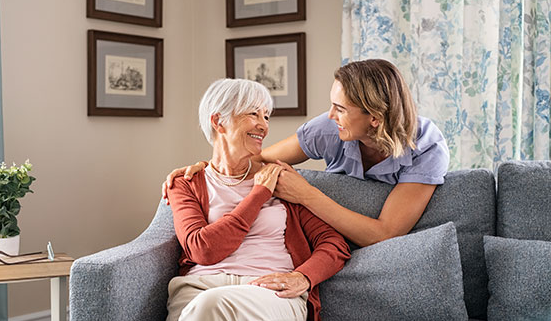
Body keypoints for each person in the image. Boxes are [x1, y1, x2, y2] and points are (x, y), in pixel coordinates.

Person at [164, 59, 450, 247]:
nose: (330, 114)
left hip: (383, 249)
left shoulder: (426, 146)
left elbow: (386, 234)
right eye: (332, 104)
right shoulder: (328, 129)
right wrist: (206, 168)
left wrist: (305, 194)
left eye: (340, 109)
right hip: (329, 240)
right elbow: (256, 160)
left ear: (374, 117)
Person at [165, 78, 351, 321]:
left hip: (270, 296)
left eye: (266, 116)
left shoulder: (282, 179)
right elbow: (202, 249)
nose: (264, 125)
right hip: (197, 291)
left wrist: (303, 277)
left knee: (212, 307)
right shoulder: (187, 182)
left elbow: (334, 244)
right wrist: (258, 195)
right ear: (219, 121)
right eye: (253, 113)